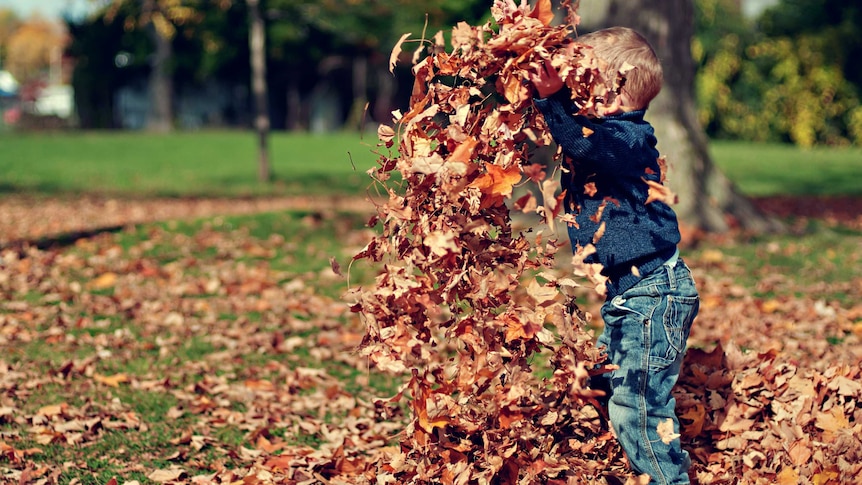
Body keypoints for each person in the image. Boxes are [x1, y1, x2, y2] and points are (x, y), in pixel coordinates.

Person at [528, 27, 700, 485]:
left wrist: (551, 102)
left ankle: (667, 479)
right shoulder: (608, 135)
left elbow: (582, 143)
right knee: (599, 377)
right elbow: (578, 139)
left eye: (580, 84)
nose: (571, 94)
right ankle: (598, 449)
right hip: (633, 297)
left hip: (652, 296)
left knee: (639, 408)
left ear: (612, 93)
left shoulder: (626, 138)